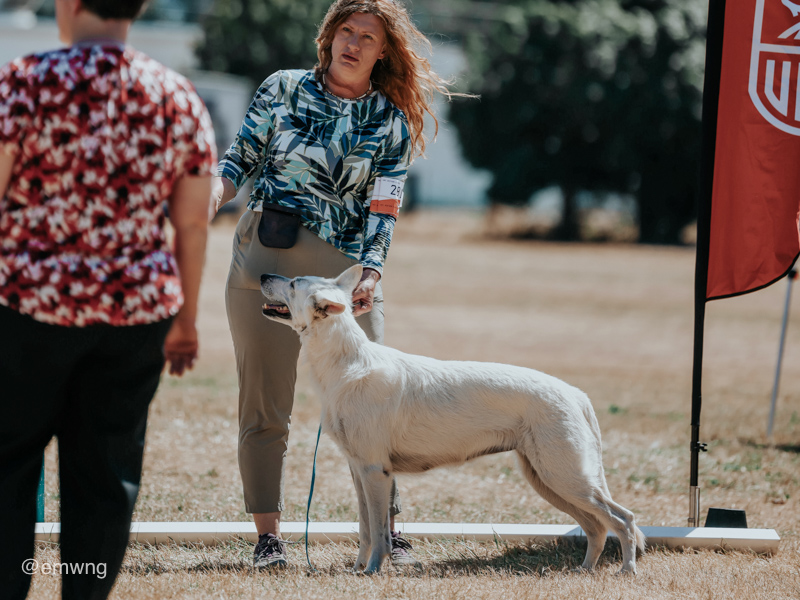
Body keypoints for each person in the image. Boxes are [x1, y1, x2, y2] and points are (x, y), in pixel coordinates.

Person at [213, 0, 459, 569]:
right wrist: (209, 194)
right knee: (265, 406)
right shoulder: (282, 88)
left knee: (377, 405)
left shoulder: (390, 119)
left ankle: (384, 534)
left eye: (367, 37)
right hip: (264, 266)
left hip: (346, 285)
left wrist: (372, 269)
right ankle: (267, 540)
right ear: (328, 38)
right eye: (345, 30)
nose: (353, 42)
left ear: (383, 51)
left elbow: (385, 204)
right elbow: (238, 159)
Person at [0, 0, 216, 597]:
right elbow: (193, 225)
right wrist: (187, 321)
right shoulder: (176, 96)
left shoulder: (24, 81)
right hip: (135, 315)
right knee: (104, 479)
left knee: (7, 466)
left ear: (69, 4)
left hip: (26, 306)